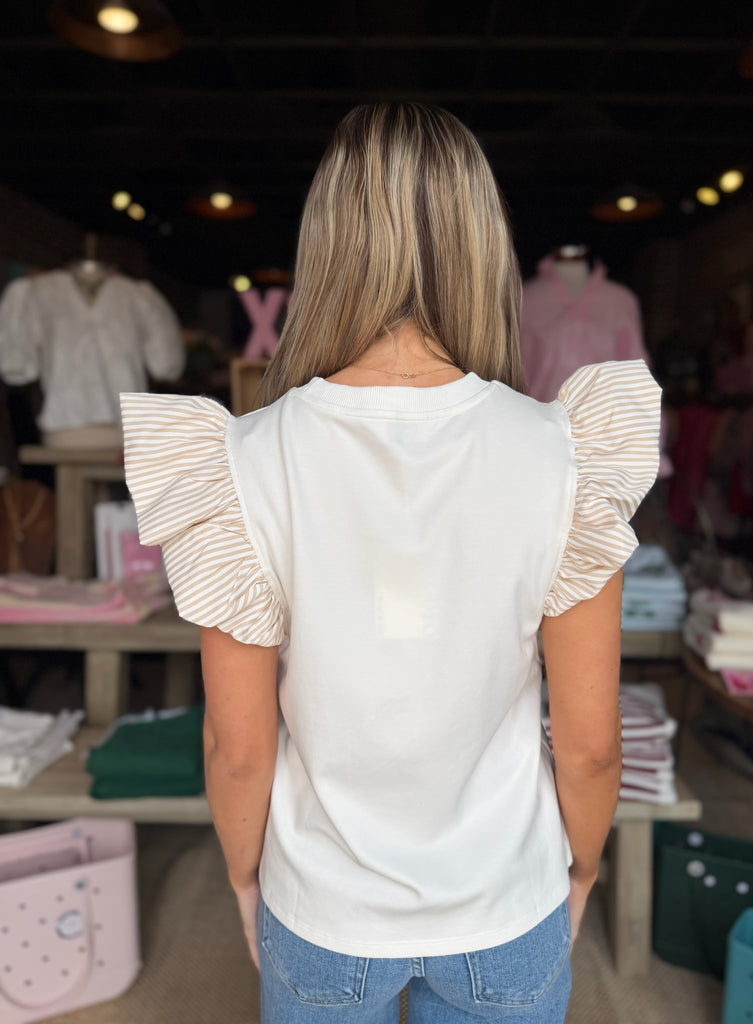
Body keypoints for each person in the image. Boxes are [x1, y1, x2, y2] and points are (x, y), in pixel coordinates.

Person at [121, 103, 660, 1024]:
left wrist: (249, 883)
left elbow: (237, 749)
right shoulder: (562, 452)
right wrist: (582, 869)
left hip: (322, 912)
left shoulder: (245, 461)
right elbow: (591, 744)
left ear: (329, 245)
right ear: (481, 247)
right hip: (506, 908)